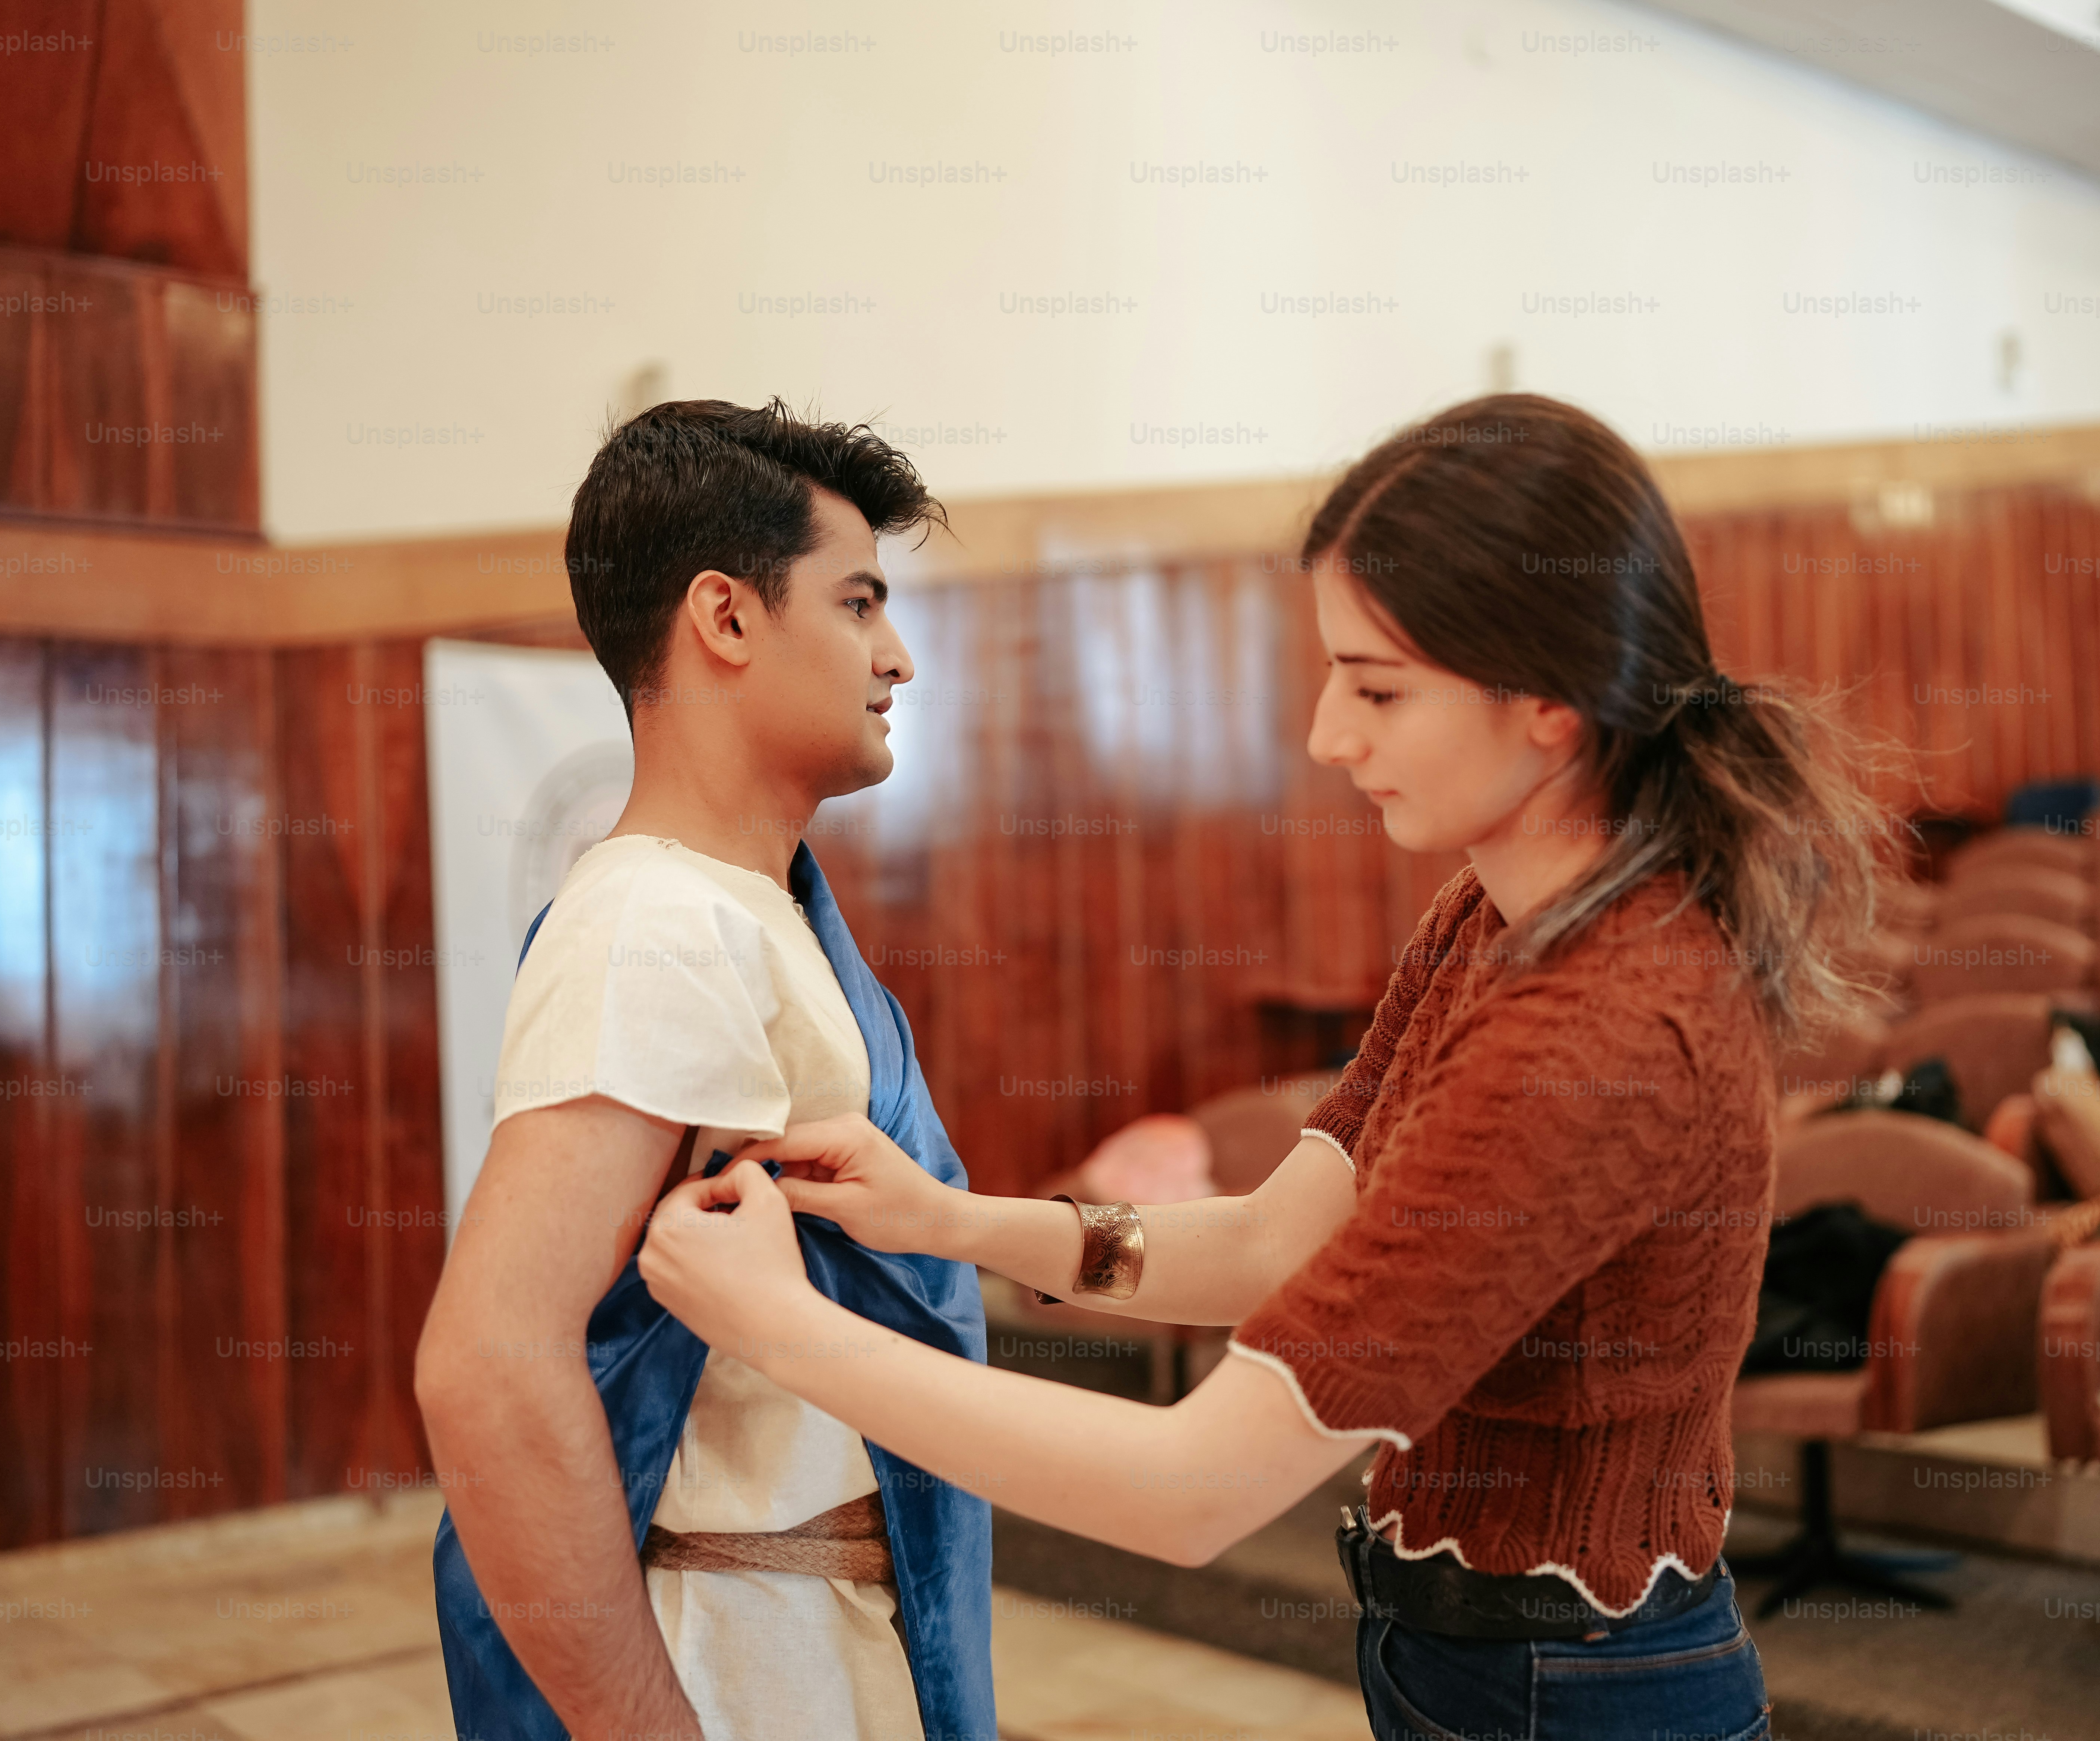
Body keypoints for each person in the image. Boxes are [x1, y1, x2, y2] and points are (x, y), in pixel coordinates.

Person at [639, 393, 1900, 1741]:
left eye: (1377, 688)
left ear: (1549, 698)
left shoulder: (1606, 1025)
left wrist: (779, 1326)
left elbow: (1197, 1489)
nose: (1328, 736)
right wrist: (952, 1226)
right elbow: (1278, 1239)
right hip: (1478, 1655)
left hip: (1581, 1687)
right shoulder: (1491, 915)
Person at [414, 400, 992, 1741]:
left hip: (825, 1620)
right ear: (726, 619)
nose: (897, 657)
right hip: (745, 1650)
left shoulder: (747, 903)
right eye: (859, 605)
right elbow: (492, 1368)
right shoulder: (657, 924)